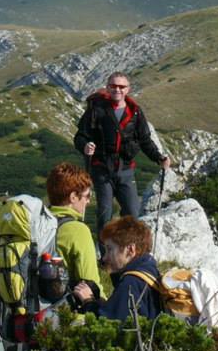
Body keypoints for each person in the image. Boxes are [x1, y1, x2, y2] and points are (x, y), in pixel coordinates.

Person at [73, 72, 171, 235]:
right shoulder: (96, 110)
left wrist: (158, 158)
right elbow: (80, 136)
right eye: (113, 86)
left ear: (128, 89)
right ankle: (106, 257)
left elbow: (144, 140)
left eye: (121, 86)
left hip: (125, 169)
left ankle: (126, 252)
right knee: (105, 213)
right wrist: (84, 146)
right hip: (102, 169)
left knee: (132, 213)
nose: (117, 89)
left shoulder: (135, 112)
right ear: (108, 87)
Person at [72, 216, 162, 322]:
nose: (105, 257)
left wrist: (88, 301)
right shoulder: (149, 269)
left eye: (110, 249)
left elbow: (108, 326)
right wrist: (99, 301)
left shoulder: (131, 283)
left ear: (130, 249)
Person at [45, 162, 103, 300]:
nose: (88, 201)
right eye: (87, 196)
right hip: (67, 315)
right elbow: (90, 282)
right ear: (73, 197)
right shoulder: (78, 230)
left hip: (33, 310)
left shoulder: (37, 224)